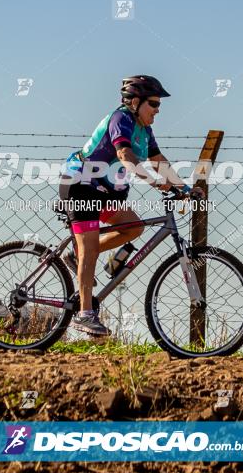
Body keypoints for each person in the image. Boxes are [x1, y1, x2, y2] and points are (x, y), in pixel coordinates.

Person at [57, 75, 204, 336]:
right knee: (89, 248)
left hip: (104, 191)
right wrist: (155, 183)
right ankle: (85, 314)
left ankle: (76, 256)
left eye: (159, 105)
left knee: (133, 227)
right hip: (80, 184)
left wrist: (183, 188)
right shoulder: (121, 119)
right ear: (135, 102)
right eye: (154, 104)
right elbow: (125, 155)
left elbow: (158, 159)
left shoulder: (144, 129)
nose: (158, 110)